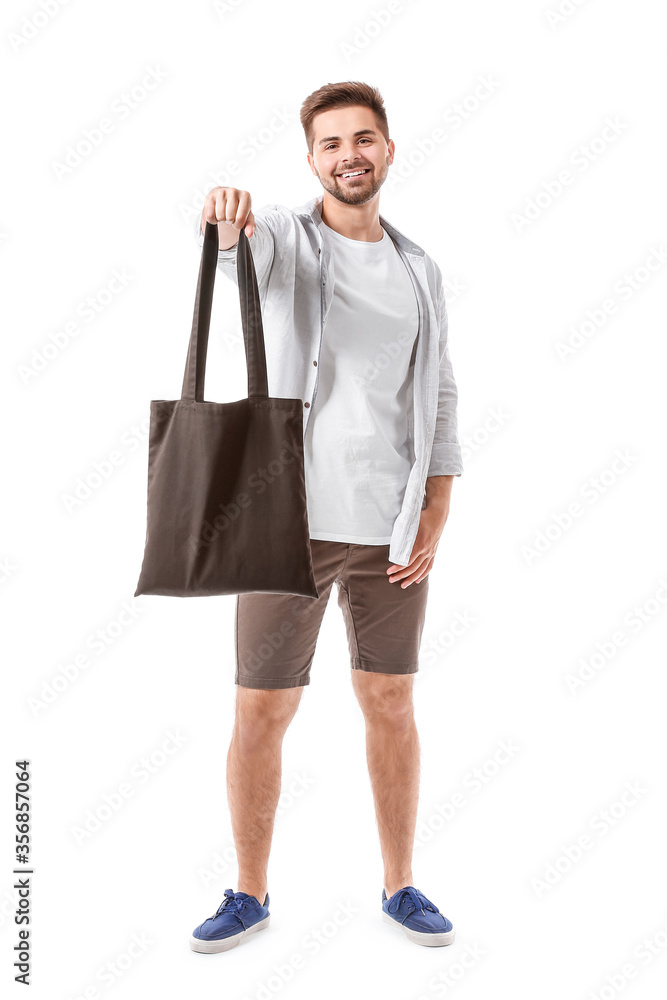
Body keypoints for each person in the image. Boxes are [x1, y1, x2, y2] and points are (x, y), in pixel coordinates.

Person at [189, 81, 463, 954]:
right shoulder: (288, 243)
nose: (349, 154)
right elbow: (241, 245)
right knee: (261, 712)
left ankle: (400, 885)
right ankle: (250, 893)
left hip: (389, 527)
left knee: (390, 700)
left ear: (388, 150)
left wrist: (436, 504)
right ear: (311, 159)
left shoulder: (420, 267)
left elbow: (440, 388)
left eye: (364, 139)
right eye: (331, 143)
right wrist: (228, 217)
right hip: (287, 526)